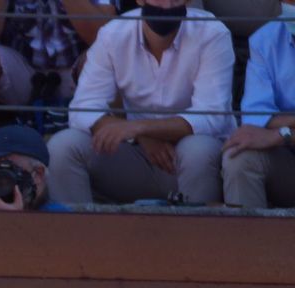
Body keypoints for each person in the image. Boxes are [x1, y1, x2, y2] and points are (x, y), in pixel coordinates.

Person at [47, 0, 234, 205]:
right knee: (63, 146)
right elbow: (82, 109)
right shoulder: (114, 33)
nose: (166, 4)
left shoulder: (211, 33)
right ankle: (77, 226)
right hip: (140, 156)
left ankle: (200, 226)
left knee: (198, 149)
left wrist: (140, 128)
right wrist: (139, 137)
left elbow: (212, 116)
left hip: (194, 162)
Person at [0, 0, 115, 159]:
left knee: (108, 57)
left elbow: (106, 36)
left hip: (78, 74)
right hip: (23, 70)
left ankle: (104, 159)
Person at [221, 10, 295, 209]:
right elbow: (258, 117)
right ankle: (247, 230)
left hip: (284, 140)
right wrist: (282, 132)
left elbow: (269, 124)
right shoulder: (265, 38)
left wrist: (281, 134)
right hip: (288, 158)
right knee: (238, 157)